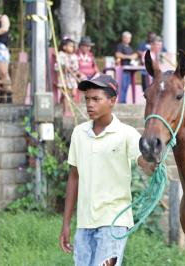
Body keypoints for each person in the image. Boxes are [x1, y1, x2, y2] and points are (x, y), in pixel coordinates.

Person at [59, 74, 155, 266]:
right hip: (84, 223)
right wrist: (66, 224)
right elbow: (74, 178)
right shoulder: (79, 133)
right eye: (87, 99)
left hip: (114, 224)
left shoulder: (126, 133)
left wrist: (154, 162)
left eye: (96, 99)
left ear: (112, 101)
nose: (90, 104)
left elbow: (145, 163)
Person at [55, 38, 79, 115]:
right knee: (66, 94)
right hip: (64, 78)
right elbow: (57, 66)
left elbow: (76, 67)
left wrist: (75, 71)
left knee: (73, 93)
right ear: (64, 47)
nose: (72, 48)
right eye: (70, 46)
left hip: (72, 78)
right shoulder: (60, 55)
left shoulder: (74, 56)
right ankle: (66, 111)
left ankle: (62, 101)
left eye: (73, 46)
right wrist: (62, 67)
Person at [115, 31, 138, 103]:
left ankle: (124, 101)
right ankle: (121, 101)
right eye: (127, 38)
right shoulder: (120, 46)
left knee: (126, 87)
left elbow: (134, 56)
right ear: (123, 38)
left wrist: (133, 56)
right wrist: (129, 57)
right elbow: (118, 54)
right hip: (122, 70)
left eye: (129, 38)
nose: (128, 39)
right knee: (122, 86)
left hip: (129, 70)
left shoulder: (130, 48)